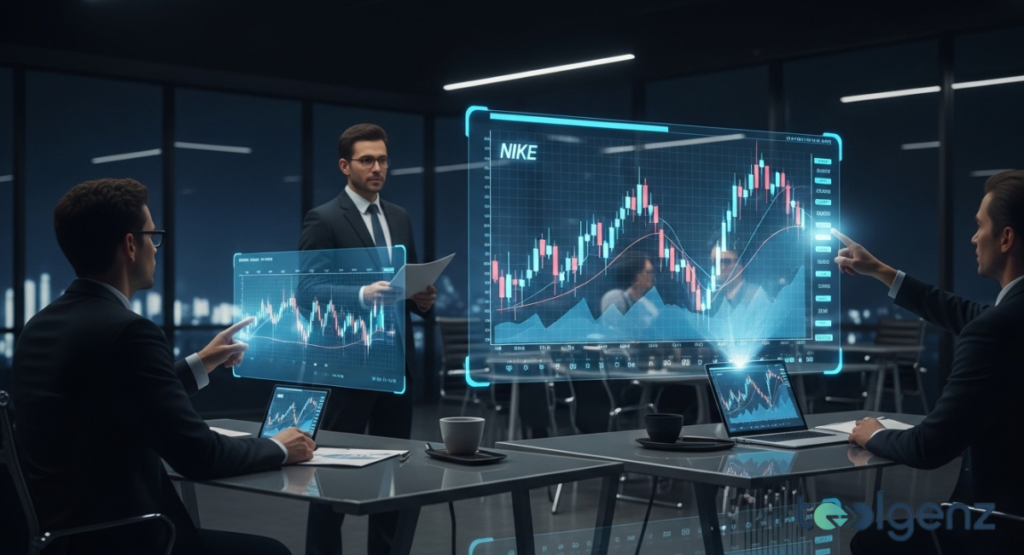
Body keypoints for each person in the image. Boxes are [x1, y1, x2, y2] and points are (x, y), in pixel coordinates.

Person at [11, 178, 315, 555]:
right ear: (129, 246)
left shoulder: (40, 326)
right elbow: (200, 457)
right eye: (151, 236)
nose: (155, 249)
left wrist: (201, 362)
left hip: (62, 538)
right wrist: (278, 447)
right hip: (127, 538)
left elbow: (112, 396)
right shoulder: (129, 331)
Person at [839, 170, 1024, 554]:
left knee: (869, 543)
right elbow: (965, 313)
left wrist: (873, 433)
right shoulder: (1005, 320)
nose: (973, 238)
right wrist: (880, 270)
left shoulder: (994, 331)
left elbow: (929, 447)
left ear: (1006, 238)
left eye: (979, 226)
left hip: (995, 529)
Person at [298, 123, 435, 555]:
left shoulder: (399, 217)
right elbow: (306, 293)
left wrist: (421, 299)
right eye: (367, 160)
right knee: (333, 473)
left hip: (396, 363)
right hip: (348, 364)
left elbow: (404, 285)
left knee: (395, 473)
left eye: (382, 160)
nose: (378, 168)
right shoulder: (324, 219)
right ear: (345, 166)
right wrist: (361, 294)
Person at [708, 240, 759, 316]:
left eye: (724, 261)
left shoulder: (756, 297)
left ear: (740, 264)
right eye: (714, 263)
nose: (717, 267)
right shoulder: (715, 302)